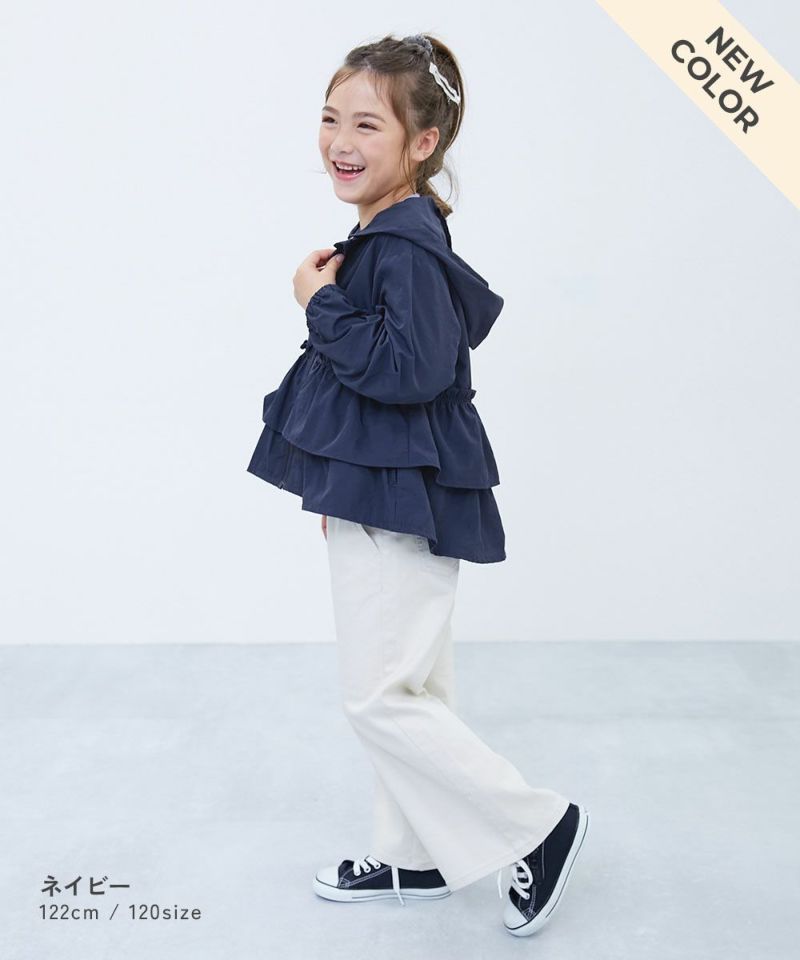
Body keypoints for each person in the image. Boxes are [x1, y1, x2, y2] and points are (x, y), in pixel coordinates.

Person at [246, 32, 589, 936]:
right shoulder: (390, 232)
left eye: (368, 124)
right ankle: (416, 854)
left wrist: (318, 303)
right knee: (411, 687)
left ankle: (538, 827)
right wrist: (341, 485)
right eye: (330, 118)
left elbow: (411, 371)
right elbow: (388, 388)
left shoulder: (400, 245)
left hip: (401, 501)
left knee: (380, 697)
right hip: (386, 493)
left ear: (423, 142)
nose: (340, 141)